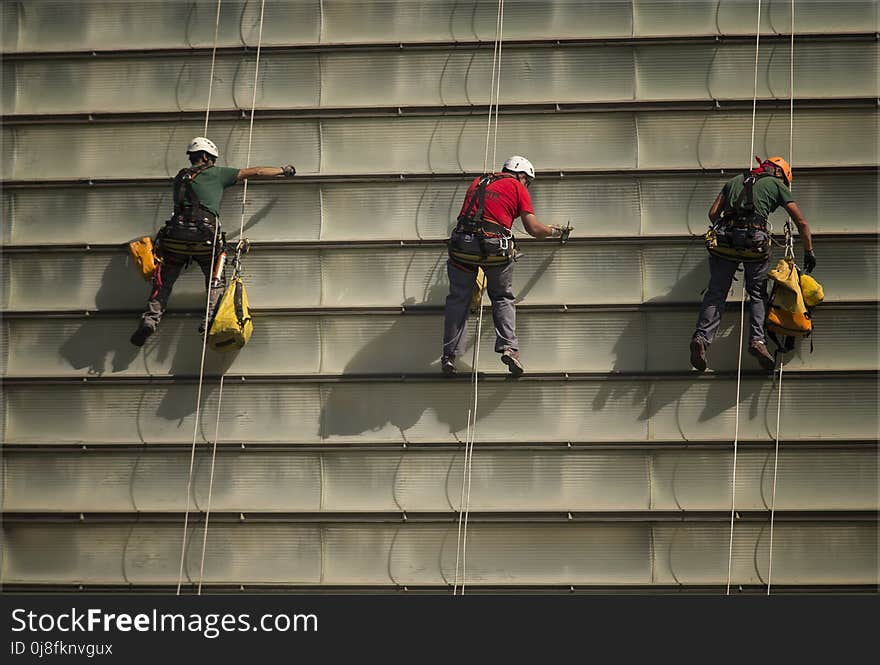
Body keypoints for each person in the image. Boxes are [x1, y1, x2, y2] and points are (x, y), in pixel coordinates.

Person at [130, 137, 296, 346]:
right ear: (207, 157)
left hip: (175, 236)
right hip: (203, 236)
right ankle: (210, 322)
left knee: (163, 280)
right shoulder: (217, 174)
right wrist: (283, 170)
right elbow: (256, 172)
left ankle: (150, 321)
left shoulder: (180, 177)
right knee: (215, 278)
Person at [441, 155, 570, 377]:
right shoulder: (517, 187)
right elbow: (534, 229)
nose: (526, 185)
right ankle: (509, 349)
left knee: (458, 299)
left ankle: (449, 356)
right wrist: (555, 231)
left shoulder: (478, 181)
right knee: (501, 297)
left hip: (462, 247)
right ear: (521, 174)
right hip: (494, 249)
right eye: (527, 180)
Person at [690, 156, 815, 372]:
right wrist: (808, 251)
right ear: (779, 173)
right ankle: (757, 341)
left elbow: (713, 213)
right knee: (757, 294)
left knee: (716, 293)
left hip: (724, 241)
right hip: (754, 244)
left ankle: (701, 338)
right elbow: (801, 222)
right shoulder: (776, 184)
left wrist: (731, 230)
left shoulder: (735, 180)